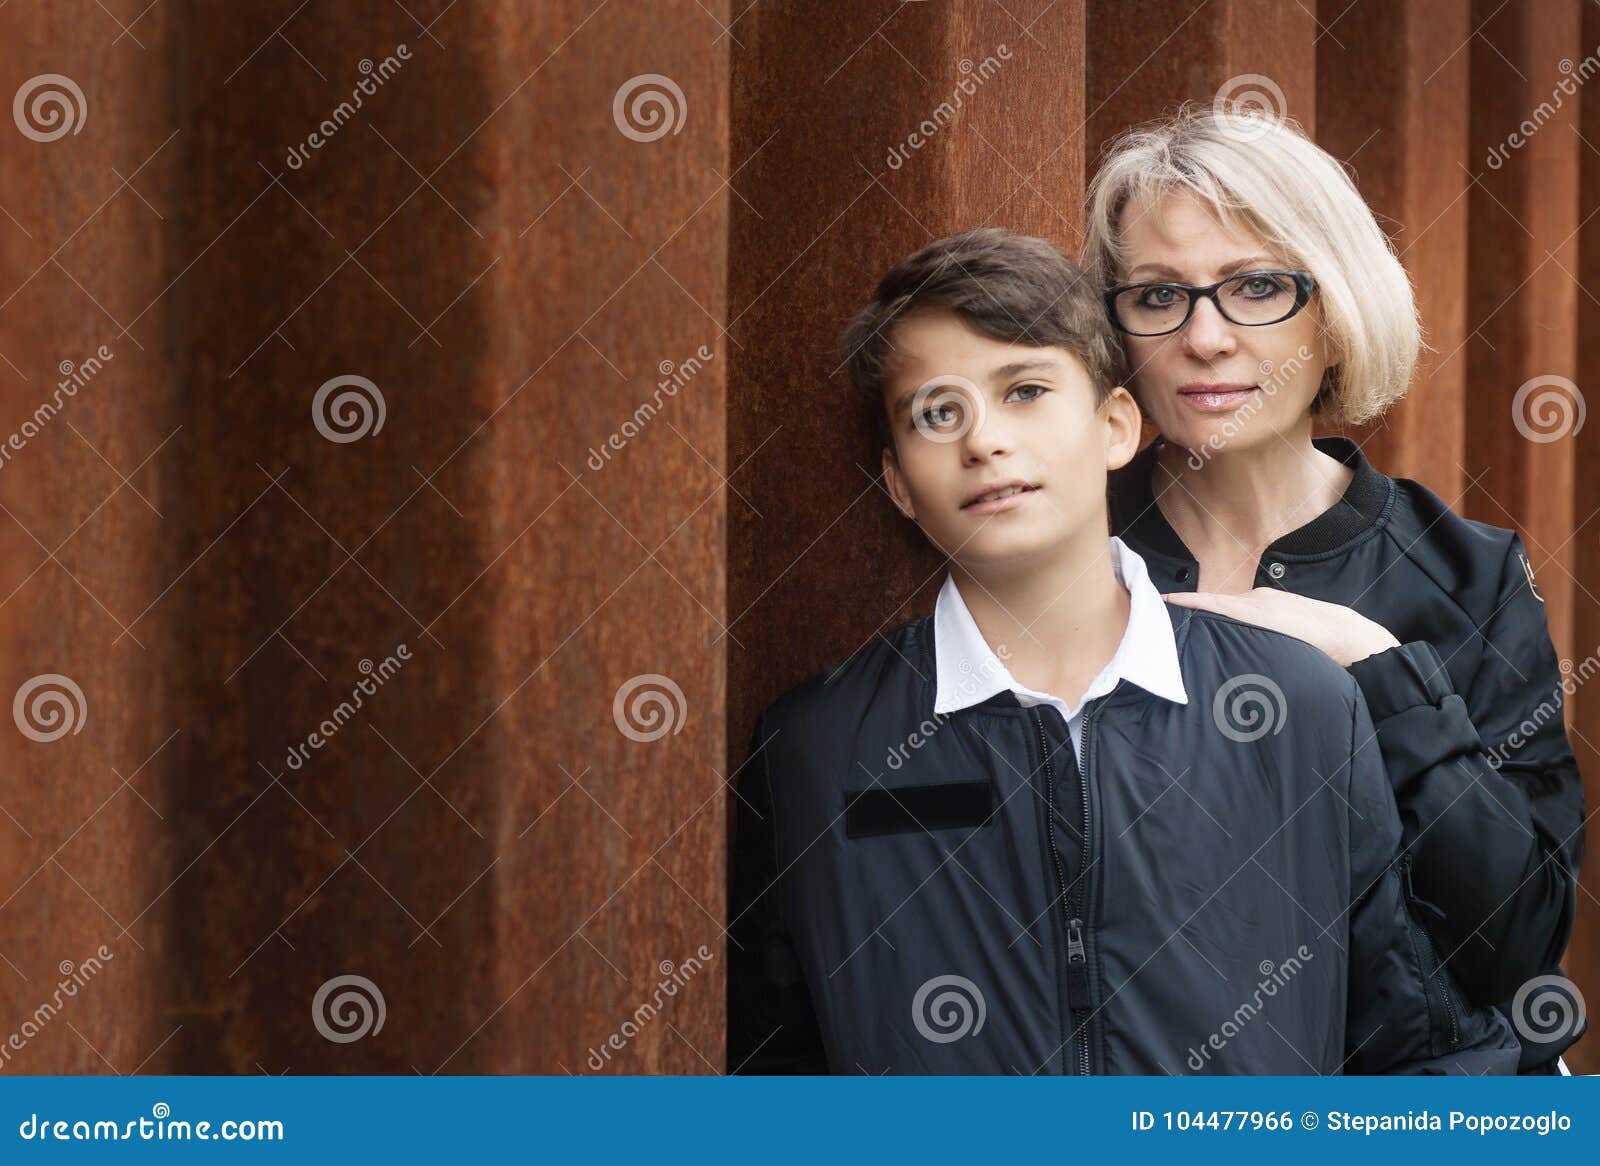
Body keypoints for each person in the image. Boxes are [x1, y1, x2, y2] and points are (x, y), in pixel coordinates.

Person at [725, 226, 1520, 1075]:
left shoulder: (1303, 707)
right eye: (937, 412)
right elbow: (772, 1076)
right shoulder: (814, 748)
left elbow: (1411, 1046)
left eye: (1025, 390)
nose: (984, 440)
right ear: (898, 484)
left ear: (1115, 426)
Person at [1083, 104, 1586, 1074]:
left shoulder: (1465, 574)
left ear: (1334, 310)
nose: (1204, 337)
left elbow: (1521, 944)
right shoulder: (1065, 547)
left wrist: (1380, 673)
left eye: (1257, 287)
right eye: (1156, 296)